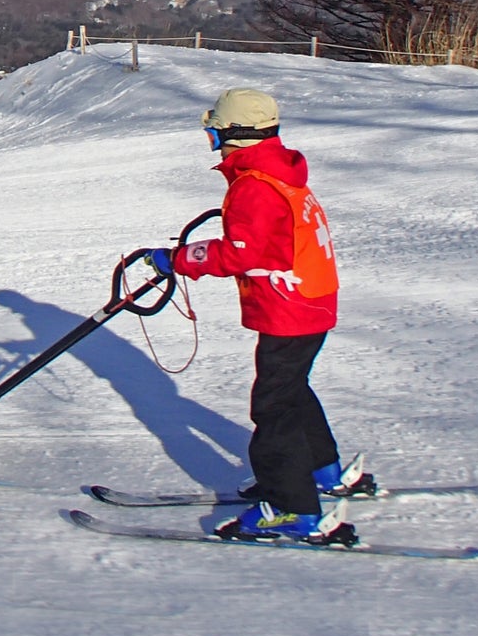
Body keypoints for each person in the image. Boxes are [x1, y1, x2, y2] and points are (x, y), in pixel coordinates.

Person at [149, 87, 361, 543]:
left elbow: (243, 253)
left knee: (273, 406)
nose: (210, 137)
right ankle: (324, 471)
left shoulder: (255, 187)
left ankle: (290, 507)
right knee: (291, 391)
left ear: (231, 134)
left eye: (213, 130)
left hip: (290, 307)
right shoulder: (277, 171)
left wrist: (180, 259)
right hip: (312, 300)